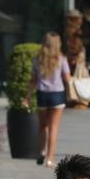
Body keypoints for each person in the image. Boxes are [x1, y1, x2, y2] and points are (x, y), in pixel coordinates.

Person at [28, 32, 71, 168]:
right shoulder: (61, 59)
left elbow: (33, 80)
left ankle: (41, 151)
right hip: (57, 94)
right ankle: (50, 159)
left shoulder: (37, 59)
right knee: (54, 128)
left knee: (42, 126)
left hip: (42, 94)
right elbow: (67, 78)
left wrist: (27, 96)